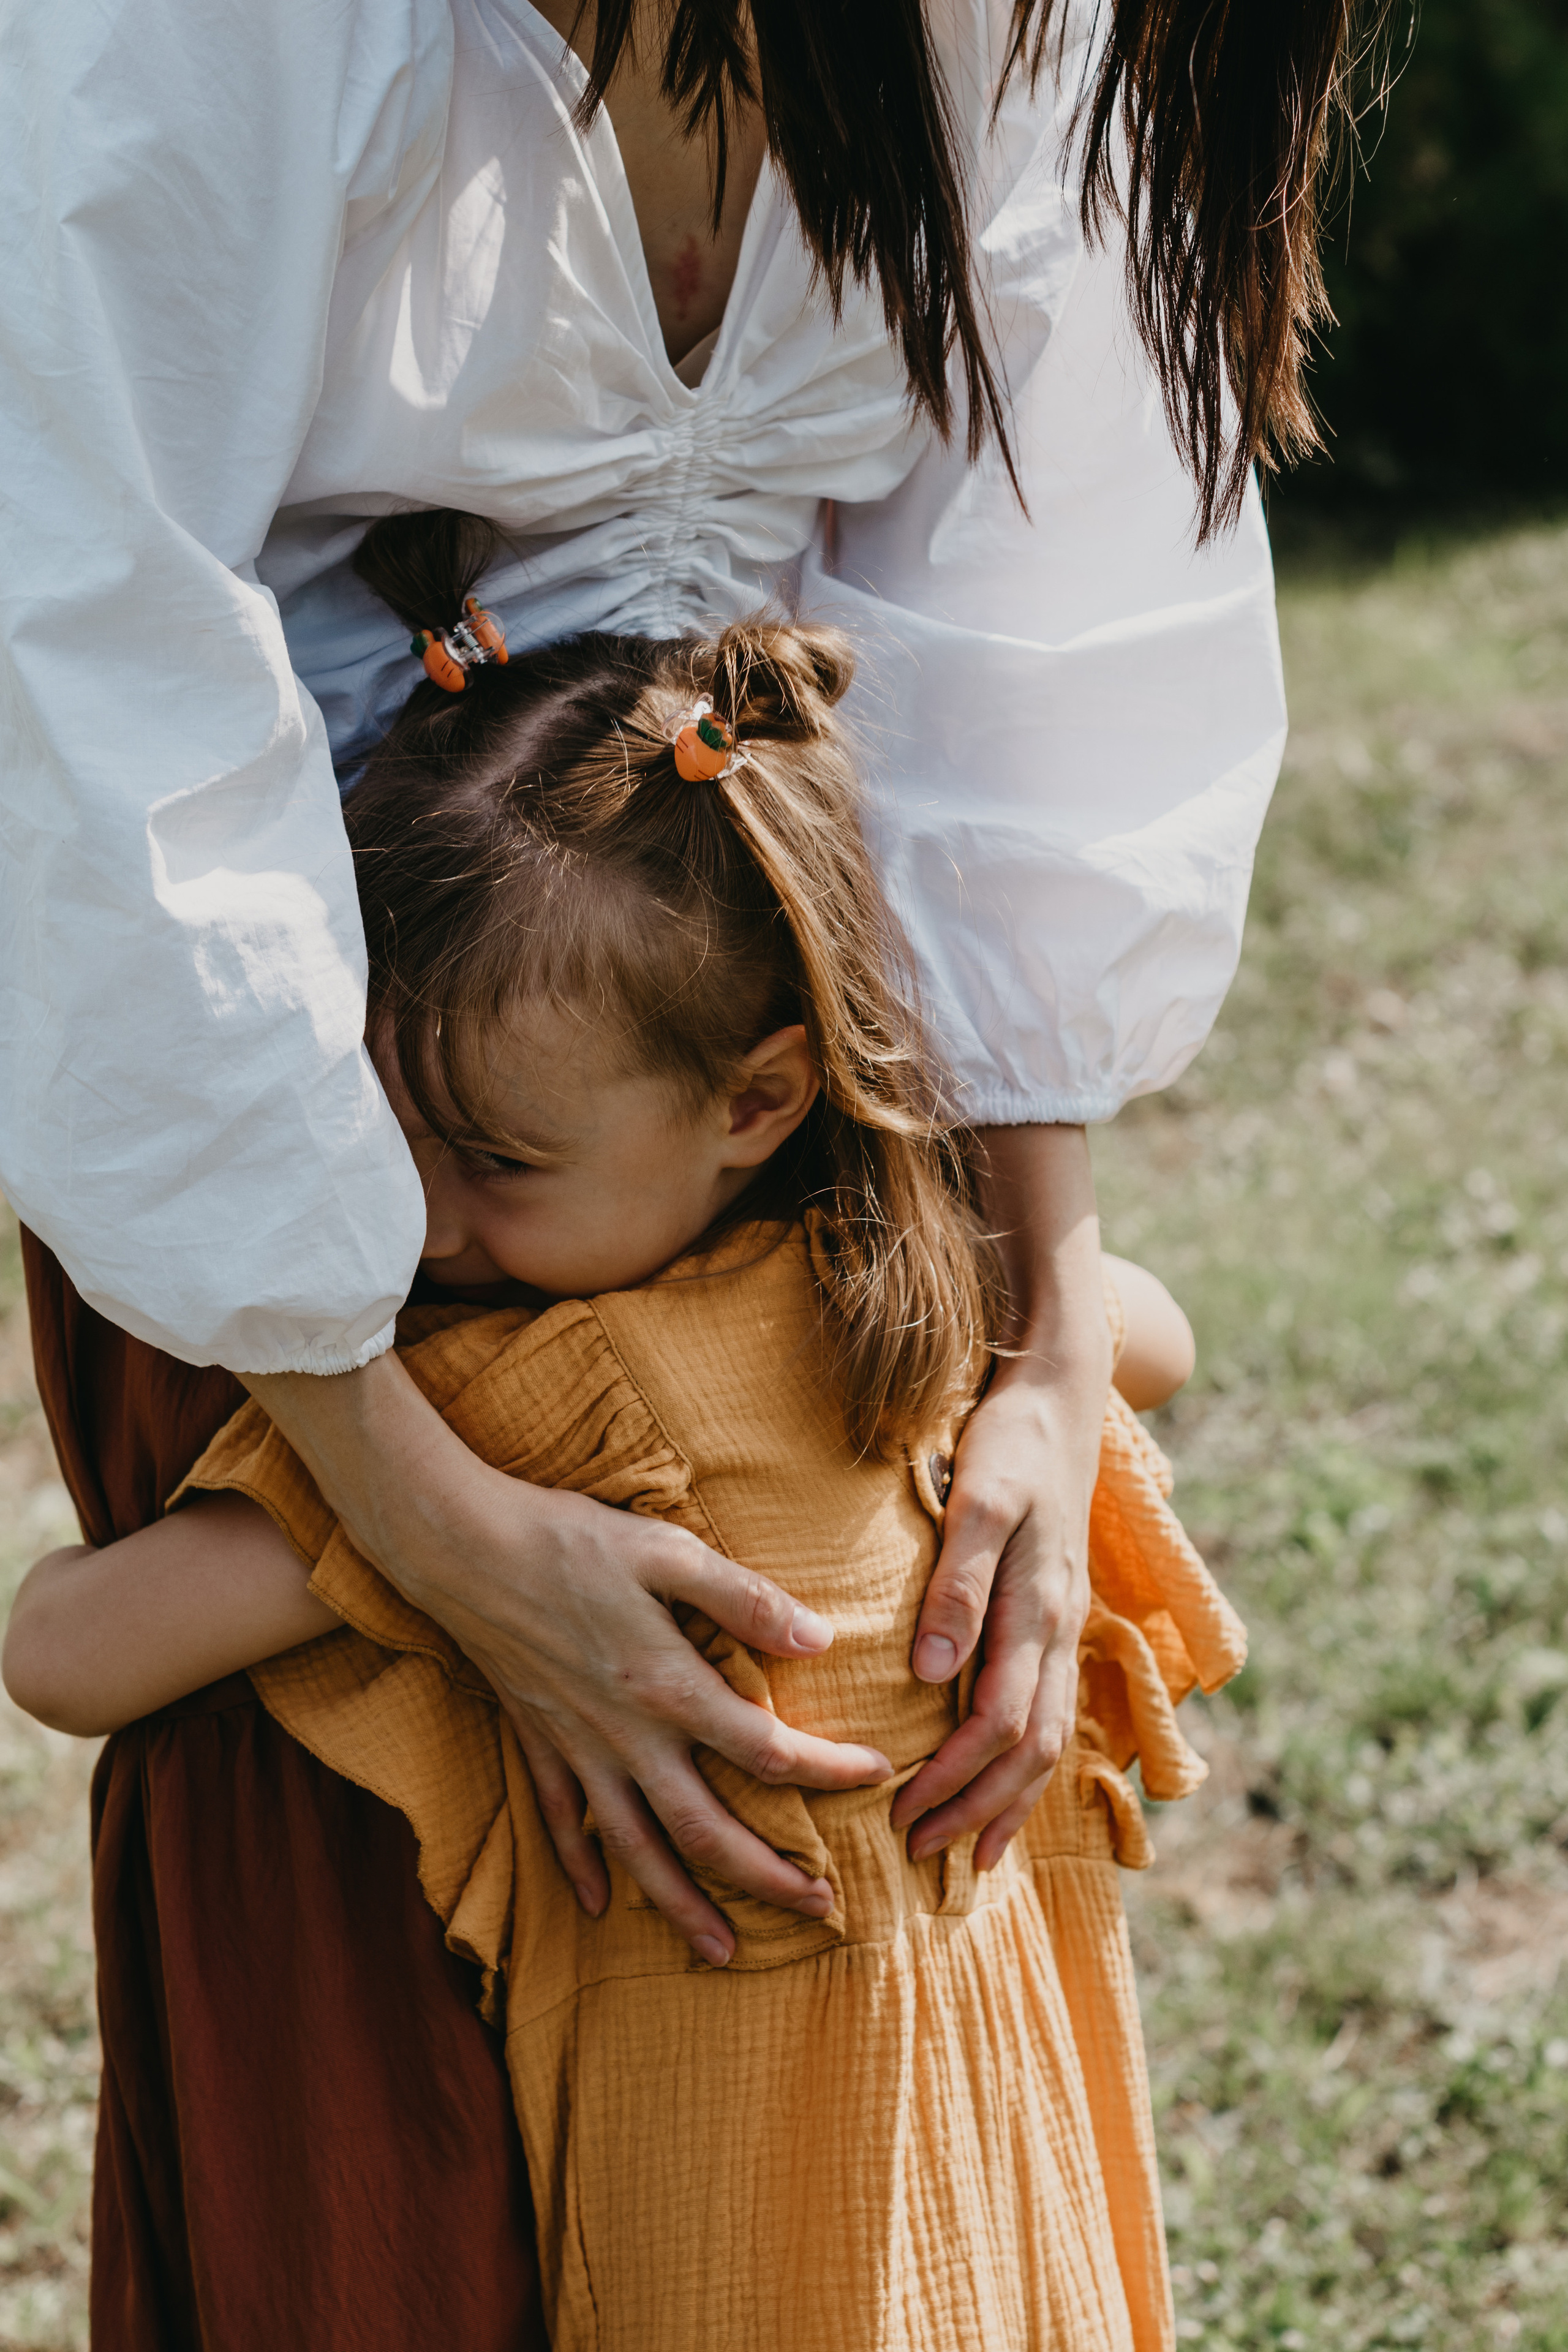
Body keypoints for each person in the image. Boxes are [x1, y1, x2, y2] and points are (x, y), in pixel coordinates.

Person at [0, 0, 1367, 2332]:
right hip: (312, 1161)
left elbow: (1037, 575)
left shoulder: (1001, 32)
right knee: (388, 2147)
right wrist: (425, 1518)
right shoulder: (195, 40)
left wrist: (1034, 1332)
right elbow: (71, 649)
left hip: (809, 1122)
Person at [4, 555, 1239, 2349]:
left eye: (494, 1162)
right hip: (791, 2203)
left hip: (915, 2135)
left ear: (762, 1099)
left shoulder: (601, 1387)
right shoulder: (852, 1322)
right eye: (389, 1140)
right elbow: (1155, 1334)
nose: (418, 1225)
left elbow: (61, 1643)